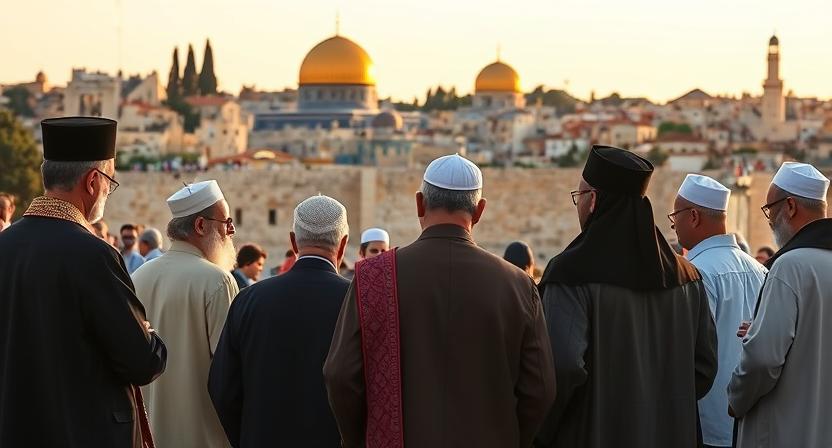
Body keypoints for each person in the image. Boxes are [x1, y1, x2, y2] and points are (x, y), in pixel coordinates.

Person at [325, 153, 555, 448]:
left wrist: (360, 439)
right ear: (479, 210)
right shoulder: (518, 285)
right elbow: (541, 389)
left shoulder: (373, 276)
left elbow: (340, 375)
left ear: (420, 203)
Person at [0, 117, 167, 447]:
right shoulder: (94, 255)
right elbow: (142, 361)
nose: (107, 191)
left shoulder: (5, 246)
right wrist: (148, 333)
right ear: (93, 182)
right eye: (109, 182)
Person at [535, 145, 717, 448]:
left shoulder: (570, 273)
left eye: (579, 196)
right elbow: (703, 368)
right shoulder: (687, 276)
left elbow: (563, 366)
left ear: (593, 201)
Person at [209, 195, 351, 447]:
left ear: (294, 242)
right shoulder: (358, 302)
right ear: (343, 244)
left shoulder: (248, 300)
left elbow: (222, 389)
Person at [728, 162, 832, 447]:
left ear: (790, 206)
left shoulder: (789, 267)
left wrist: (736, 399)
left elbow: (763, 360)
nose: (770, 219)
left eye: (770, 209)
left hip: (784, 430)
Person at [132, 180, 239, 448]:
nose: (232, 231)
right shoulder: (217, 281)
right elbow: (230, 371)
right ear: (201, 226)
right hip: (203, 437)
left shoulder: (137, 276)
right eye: (226, 223)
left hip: (147, 436)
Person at [670, 174, 766, 448]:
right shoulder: (760, 270)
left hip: (707, 425)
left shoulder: (696, 274)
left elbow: (686, 353)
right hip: (751, 425)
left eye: (675, 216)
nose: (674, 225)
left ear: (694, 216)